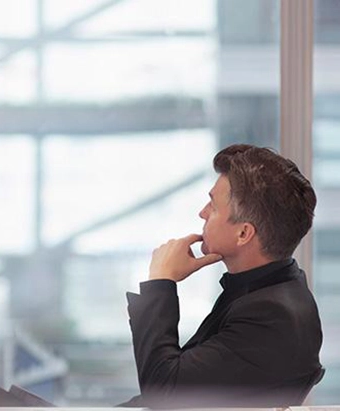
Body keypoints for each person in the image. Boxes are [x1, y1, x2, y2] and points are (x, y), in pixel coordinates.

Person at [121, 144, 323, 408]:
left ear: (243, 233)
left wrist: (161, 282)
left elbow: (163, 393)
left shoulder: (272, 316)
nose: (202, 213)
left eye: (213, 206)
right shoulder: (267, 289)